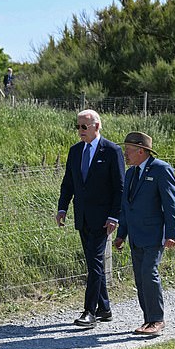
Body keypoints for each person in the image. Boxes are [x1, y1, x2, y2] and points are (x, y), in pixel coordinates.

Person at [56, 109, 125, 328]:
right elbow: (69, 183)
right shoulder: (75, 151)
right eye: (77, 126)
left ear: (96, 126)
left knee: (95, 264)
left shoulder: (112, 151)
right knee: (93, 263)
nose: (80, 131)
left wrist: (115, 215)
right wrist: (62, 208)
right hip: (82, 217)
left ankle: (90, 311)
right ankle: (104, 308)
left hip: (103, 219)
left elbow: (119, 188)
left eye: (83, 127)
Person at [114, 132, 175, 336]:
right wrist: (121, 234)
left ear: (141, 150)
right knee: (140, 279)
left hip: (154, 234)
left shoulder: (161, 169)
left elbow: (171, 204)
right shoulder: (131, 173)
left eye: (128, 150)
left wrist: (172, 233)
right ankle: (148, 320)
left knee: (149, 274)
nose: (125, 154)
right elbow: (126, 207)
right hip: (136, 235)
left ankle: (157, 320)